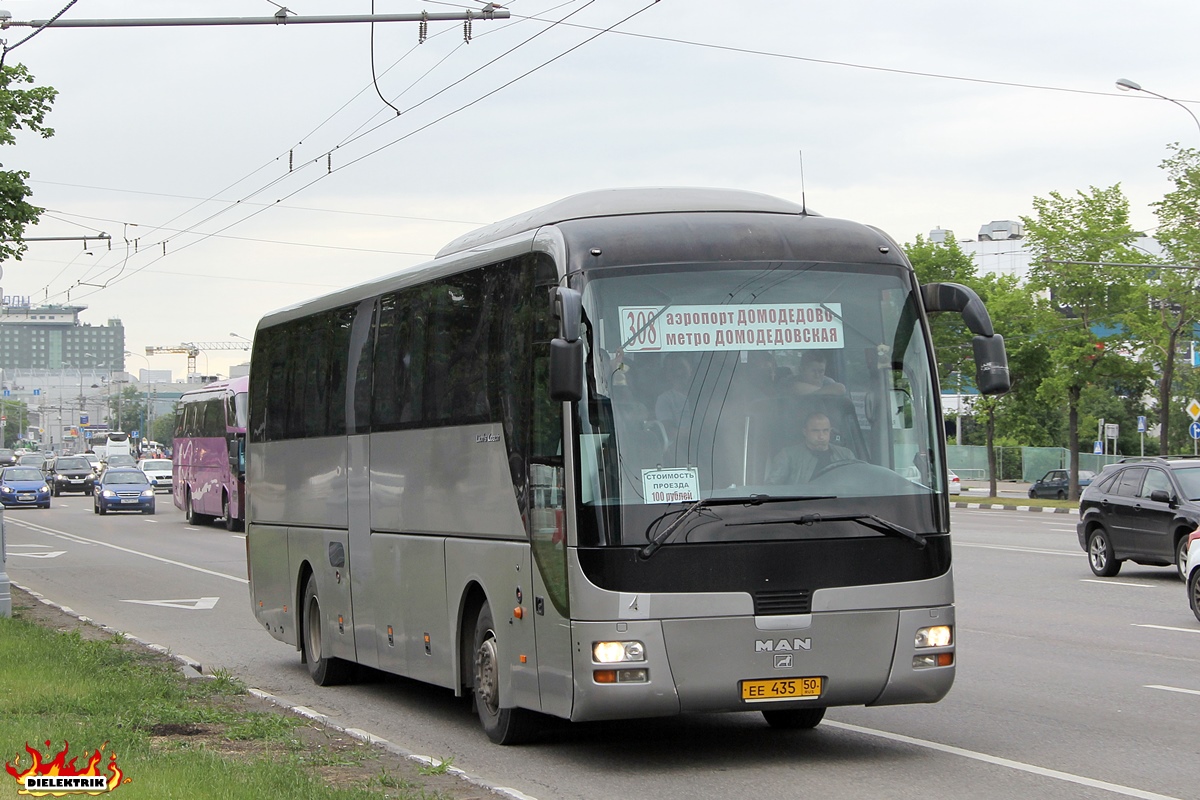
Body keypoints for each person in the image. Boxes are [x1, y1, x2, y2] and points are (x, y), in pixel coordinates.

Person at [765, 411, 855, 484]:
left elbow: (856, 484)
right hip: (802, 505)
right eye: (815, 431)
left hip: (840, 505)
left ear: (830, 431)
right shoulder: (787, 456)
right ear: (805, 432)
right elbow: (772, 489)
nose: (821, 436)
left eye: (825, 431)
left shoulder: (846, 455)